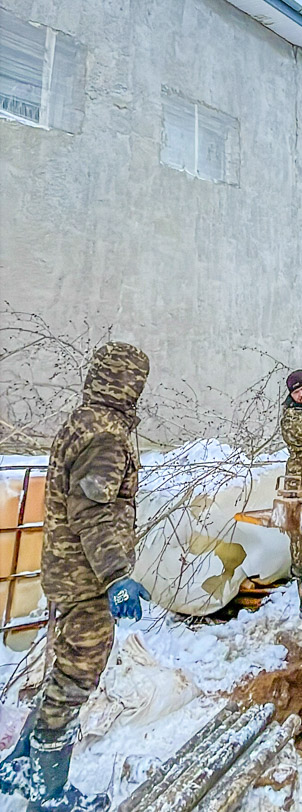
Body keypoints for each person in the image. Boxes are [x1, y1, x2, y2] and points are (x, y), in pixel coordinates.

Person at [0, 342, 152, 812]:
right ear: (131, 385)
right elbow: (93, 512)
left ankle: (20, 767)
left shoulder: (82, 421)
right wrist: (117, 577)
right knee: (75, 678)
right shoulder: (106, 435)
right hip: (87, 582)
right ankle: (48, 794)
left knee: (61, 671)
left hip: (67, 573)